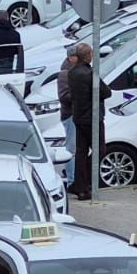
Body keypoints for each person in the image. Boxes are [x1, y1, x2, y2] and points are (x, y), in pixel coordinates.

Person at [67, 42, 109, 200]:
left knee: (81, 151)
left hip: (78, 116)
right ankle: (83, 181)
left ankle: (80, 186)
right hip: (92, 117)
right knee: (99, 150)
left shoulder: (72, 73)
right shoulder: (90, 74)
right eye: (91, 54)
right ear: (88, 56)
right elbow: (106, 92)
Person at [56, 44, 79, 189]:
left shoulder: (75, 71)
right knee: (72, 148)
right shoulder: (65, 74)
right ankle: (72, 181)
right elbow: (64, 97)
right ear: (71, 58)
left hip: (77, 114)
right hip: (71, 115)